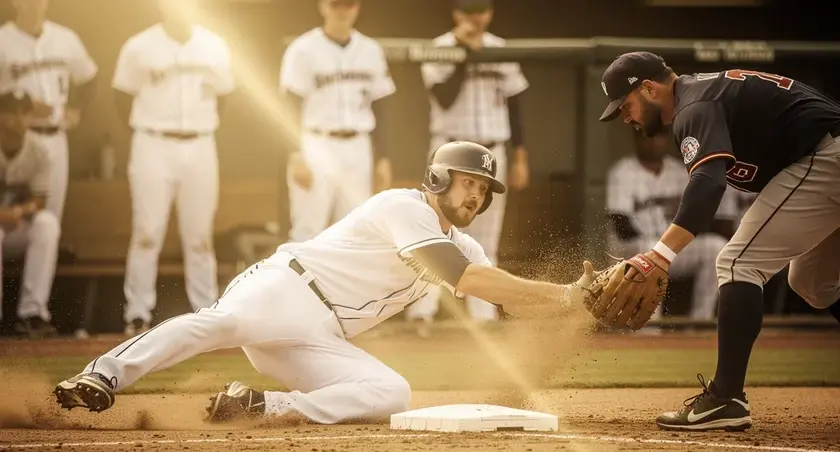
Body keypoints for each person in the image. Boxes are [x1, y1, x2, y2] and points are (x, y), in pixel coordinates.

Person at [53, 141, 594, 424]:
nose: (476, 196)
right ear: (437, 179)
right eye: (469, 183)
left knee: (392, 393)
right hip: (287, 287)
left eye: (484, 189)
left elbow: (503, 294)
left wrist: (585, 303)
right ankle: (103, 375)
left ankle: (262, 408)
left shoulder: (464, 244)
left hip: (321, 336)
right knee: (223, 323)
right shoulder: (402, 207)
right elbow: (469, 279)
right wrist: (565, 294)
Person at [597, 51, 840, 431]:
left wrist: (659, 256)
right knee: (811, 282)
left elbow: (709, 184)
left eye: (625, 105)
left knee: (738, 262)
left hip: (827, 157)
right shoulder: (701, 94)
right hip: (827, 155)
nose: (624, 116)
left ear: (648, 88)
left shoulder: (693, 105)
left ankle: (726, 398)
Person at [113, 0, 235, 336]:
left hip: (199, 142)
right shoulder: (139, 46)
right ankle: (137, 314)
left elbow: (224, 97)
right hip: (153, 141)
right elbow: (121, 98)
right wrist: (152, 127)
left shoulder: (214, 44)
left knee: (199, 237)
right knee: (147, 232)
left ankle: (207, 312)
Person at [408, 0, 530, 326]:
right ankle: (421, 313)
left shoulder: (501, 49)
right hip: (449, 150)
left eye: (481, 12)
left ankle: (483, 316)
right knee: (434, 231)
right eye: (469, 12)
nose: (476, 19)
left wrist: (521, 156)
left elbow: (515, 108)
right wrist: (464, 54)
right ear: (456, 14)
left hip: (492, 151)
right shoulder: (438, 49)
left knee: (487, 237)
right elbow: (444, 97)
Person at [280, 0, 395, 243]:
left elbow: (381, 107)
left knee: (358, 231)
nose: (342, 11)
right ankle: (296, 282)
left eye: (348, 4)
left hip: (358, 146)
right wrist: (294, 154)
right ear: (323, 7)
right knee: (307, 230)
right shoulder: (303, 49)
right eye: (336, 5)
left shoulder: (370, 50)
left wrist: (383, 156)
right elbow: (287, 105)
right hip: (316, 143)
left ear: (357, 7)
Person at [607, 129, 738, 322]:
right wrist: (660, 247)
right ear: (637, 140)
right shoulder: (623, 171)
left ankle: (699, 322)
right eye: (648, 137)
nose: (654, 143)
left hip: (669, 250)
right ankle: (649, 326)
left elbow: (696, 214)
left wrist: (671, 244)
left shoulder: (677, 172)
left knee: (716, 247)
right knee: (649, 250)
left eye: (658, 137)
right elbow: (621, 226)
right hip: (633, 252)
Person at [0, 0, 98, 222]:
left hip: (55, 136)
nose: (35, 4)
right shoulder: (3, 40)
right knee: (8, 218)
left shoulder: (65, 38)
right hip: (16, 141)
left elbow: (89, 79)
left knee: (49, 221)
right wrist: (22, 103)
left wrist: (75, 109)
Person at [0, 90, 60, 338]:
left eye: (23, 112)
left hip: (15, 227)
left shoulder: (38, 150)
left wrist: (20, 211)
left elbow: (40, 200)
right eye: (11, 112)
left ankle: (33, 314)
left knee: (47, 224)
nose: (17, 118)